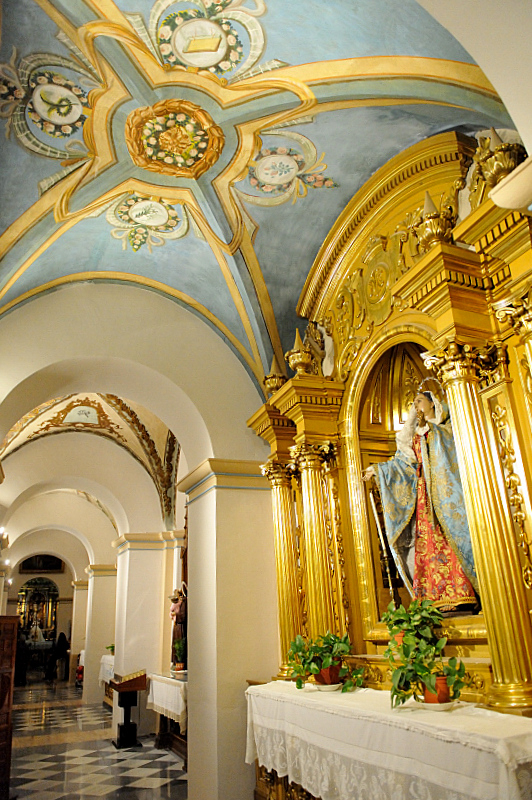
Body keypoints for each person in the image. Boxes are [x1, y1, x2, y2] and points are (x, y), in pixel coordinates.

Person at [363, 390, 479, 612]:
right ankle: (434, 598)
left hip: (448, 495)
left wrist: (431, 431)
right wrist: (377, 470)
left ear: (432, 403)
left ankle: (463, 592)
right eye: (414, 402)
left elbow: (456, 453)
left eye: (419, 400)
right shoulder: (416, 435)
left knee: (452, 539)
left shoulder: (445, 428)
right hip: (425, 499)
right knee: (427, 544)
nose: (415, 405)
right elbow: (403, 464)